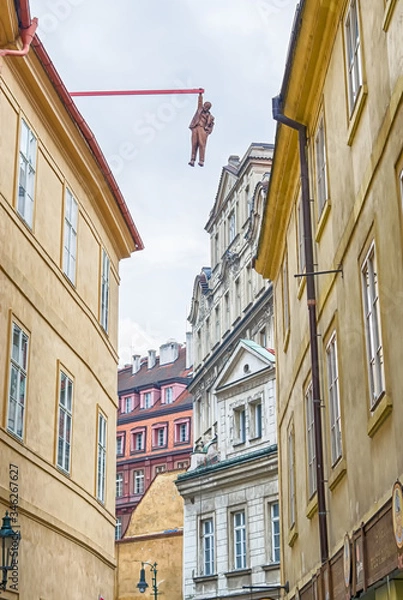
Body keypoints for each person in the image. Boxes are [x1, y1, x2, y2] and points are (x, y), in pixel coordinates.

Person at [188, 93, 214, 167]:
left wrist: (207, 131)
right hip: (196, 127)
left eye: (207, 107)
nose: (205, 107)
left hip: (202, 129)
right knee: (194, 144)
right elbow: (199, 102)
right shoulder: (199, 110)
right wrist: (200, 95)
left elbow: (211, 126)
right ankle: (192, 159)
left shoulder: (211, 117)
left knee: (202, 144)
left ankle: (201, 160)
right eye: (205, 106)